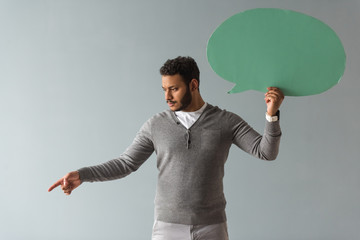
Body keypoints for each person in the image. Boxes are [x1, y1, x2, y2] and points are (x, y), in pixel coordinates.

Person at [48, 56, 284, 240]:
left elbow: (266, 151)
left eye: (174, 89)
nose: (167, 96)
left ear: (193, 85)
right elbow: (125, 163)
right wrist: (82, 175)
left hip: (212, 228)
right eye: (164, 89)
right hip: (167, 229)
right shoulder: (156, 125)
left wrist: (271, 115)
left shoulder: (225, 121)